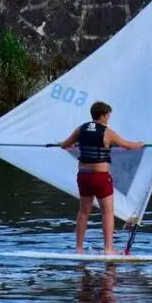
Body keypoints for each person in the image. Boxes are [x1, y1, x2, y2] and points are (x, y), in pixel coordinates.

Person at [60, 101, 144, 254]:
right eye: (108, 116)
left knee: (83, 212)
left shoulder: (81, 129)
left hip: (84, 177)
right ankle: (108, 249)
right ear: (103, 115)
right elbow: (128, 146)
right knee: (107, 212)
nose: (108, 119)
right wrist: (141, 144)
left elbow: (64, 145)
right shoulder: (107, 132)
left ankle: (79, 249)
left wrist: (70, 145)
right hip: (100, 178)